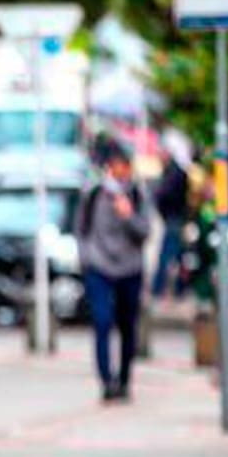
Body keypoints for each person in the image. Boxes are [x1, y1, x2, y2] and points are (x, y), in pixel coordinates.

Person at [77, 135, 151, 402]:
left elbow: (145, 231)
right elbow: (81, 230)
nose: (121, 169)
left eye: (125, 164)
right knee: (102, 321)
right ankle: (106, 381)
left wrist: (128, 215)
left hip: (130, 268)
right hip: (99, 266)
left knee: (127, 326)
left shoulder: (138, 194)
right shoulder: (94, 193)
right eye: (116, 164)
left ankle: (124, 379)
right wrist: (86, 259)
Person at [151, 128, 193, 299]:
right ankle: (178, 288)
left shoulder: (176, 173)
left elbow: (164, 195)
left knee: (168, 255)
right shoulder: (174, 172)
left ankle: (159, 289)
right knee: (178, 255)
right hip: (174, 218)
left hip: (174, 219)